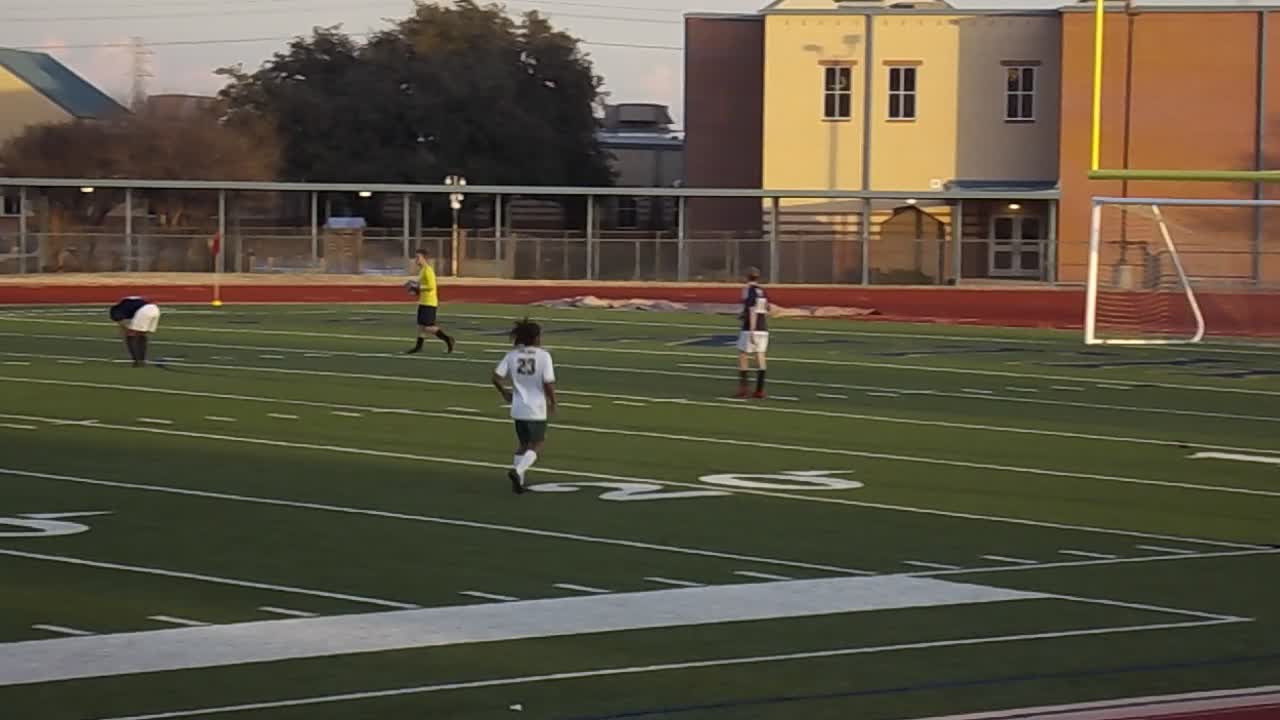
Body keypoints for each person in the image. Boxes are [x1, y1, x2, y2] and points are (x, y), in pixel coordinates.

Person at [492, 318, 557, 495]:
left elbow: (496, 377)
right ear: (535, 337)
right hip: (536, 408)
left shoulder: (512, 355)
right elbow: (548, 383)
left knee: (522, 444)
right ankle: (518, 471)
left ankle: (518, 483)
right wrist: (553, 401)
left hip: (518, 407)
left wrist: (504, 393)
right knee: (537, 443)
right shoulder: (544, 356)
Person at [405, 249, 455, 354]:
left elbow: (431, 286)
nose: (416, 260)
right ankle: (419, 346)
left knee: (428, 327)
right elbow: (421, 287)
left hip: (429, 302)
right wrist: (414, 290)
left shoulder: (428, 270)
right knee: (420, 326)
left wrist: (418, 287)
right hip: (423, 301)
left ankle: (447, 339)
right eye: (416, 257)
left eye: (418, 257)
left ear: (424, 258)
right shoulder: (422, 270)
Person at [736, 267, 769, 399]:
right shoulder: (763, 291)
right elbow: (767, 308)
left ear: (746, 277)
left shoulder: (748, 290)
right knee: (760, 357)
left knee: (743, 356)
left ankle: (744, 389)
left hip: (751, 327)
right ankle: (759, 390)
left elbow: (752, 309)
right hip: (764, 328)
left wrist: (752, 330)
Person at [108, 296, 161, 368]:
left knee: (130, 336)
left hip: (144, 311)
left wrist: (124, 330)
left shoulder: (119, 309)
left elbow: (121, 321)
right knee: (142, 334)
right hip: (155, 309)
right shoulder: (130, 302)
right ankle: (142, 359)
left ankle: (136, 361)